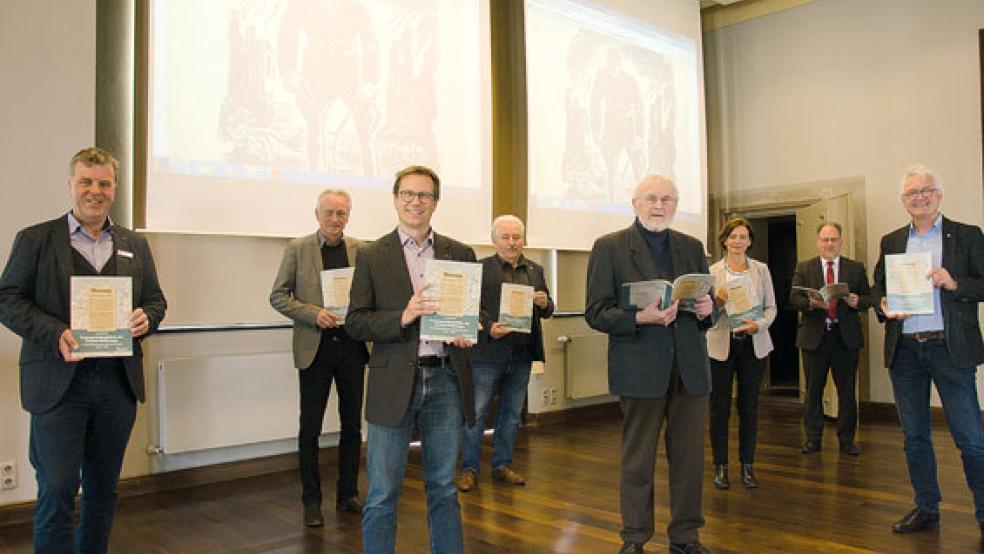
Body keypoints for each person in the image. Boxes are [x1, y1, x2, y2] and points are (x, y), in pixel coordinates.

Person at [0, 147, 167, 553]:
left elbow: (156, 300)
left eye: (104, 183)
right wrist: (55, 331)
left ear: (114, 188)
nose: (95, 191)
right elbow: (7, 299)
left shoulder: (134, 244)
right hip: (58, 386)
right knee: (57, 489)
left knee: (103, 489)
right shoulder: (36, 239)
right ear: (71, 186)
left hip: (116, 386)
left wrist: (148, 318)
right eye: (86, 182)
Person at [345, 165, 477, 554]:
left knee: (443, 486)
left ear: (435, 202)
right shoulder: (372, 255)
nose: (415, 202)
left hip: (446, 381)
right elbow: (355, 322)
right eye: (408, 194)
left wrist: (469, 329)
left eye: (424, 195)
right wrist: (403, 316)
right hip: (392, 384)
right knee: (383, 492)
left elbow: (477, 314)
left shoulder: (460, 252)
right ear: (395, 199)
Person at [585, 175, 715, 554]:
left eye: (668, 200)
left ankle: (686, 536)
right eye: (652, 199)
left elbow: (706, 306)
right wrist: (640, 318)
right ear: (635, 202)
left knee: (690, 461)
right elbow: (596, 312)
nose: (660, 206)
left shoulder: (692, 247)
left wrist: (710, 309)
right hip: (640, 369)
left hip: (690, 370)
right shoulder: (609, 247)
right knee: (637, 461)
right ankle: (635, 538)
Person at [872, 164, 984, 534]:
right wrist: (883, 304)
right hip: (905, 351)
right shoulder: (891, 241)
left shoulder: (967, 235)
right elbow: (877, 288)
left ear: (938, 194)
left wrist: (954, 282)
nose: (919, 197)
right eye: (911, 193)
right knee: (915, 437)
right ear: (903, 201)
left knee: (970, 439)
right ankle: (926, 508)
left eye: (926, 190)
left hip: (950, 350)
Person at [269, 188, 369, 526]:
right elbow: (278, 296)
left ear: (348, 216)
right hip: (316, 349)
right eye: (329, 212)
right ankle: (311, 501)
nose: (335, 219)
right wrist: (313, 313)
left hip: (354, 349)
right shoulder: (298, 248)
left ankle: (348, 495)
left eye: (341, 213)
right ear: (317, 215)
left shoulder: (362, 250)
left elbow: (371, 296)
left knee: (352, 425)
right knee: (309, 427)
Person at [456, 215, 554, 492]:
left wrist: (546, 302)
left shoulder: (535, 270)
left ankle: (502, 465)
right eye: (506, 237)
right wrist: (488, 328)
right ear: (494, 240)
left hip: (522, 355)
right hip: (487, 354)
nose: (512, 243)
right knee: (476, 413)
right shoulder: (480, 269)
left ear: (524, 239)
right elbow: (470, 307)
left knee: (511, 414)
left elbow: (547, 310)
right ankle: (469, 469)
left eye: (517, 237)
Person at [706, 218, 776, 490]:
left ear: (749, 241)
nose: (738, 241)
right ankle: (720, 466)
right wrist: (719, 302)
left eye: (743, 237)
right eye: (733, 236)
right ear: (724, 240)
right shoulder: (711, 272)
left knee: (749, 407)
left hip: (753, 344)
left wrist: (760, 324)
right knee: (719, 408)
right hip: (721, 346)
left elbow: (771, 307)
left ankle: (748, 466)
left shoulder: (761, 270)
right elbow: (706, 317)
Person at [791, 222, 871, 457]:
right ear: (818, 242)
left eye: (833, 239)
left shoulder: (855, 268)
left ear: (840, 242)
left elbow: (869, 298)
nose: (829, 244)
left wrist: (858, 301)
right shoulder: (804, 267)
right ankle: (813, 439)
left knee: (846, 392)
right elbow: (793, 298)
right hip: (814, 337)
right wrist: (810, 304)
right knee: (813, 391)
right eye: (825, 239)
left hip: (845, 338)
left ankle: (847, 440)